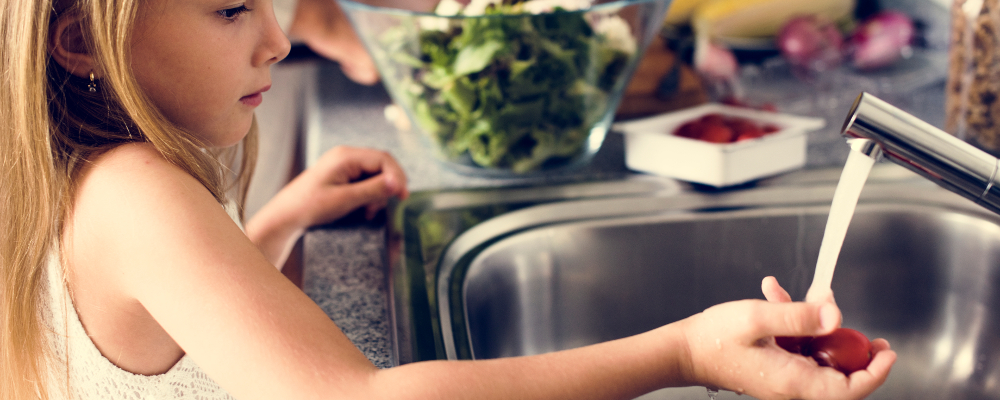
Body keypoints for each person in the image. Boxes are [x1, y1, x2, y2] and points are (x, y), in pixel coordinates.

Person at [0, 0, 896, 399]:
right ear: (81, 37)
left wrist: (271, 225)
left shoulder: (95, 177)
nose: (277, 39)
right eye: (231, 9)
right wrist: (686, 352)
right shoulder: (142, 196)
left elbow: (169, 337)